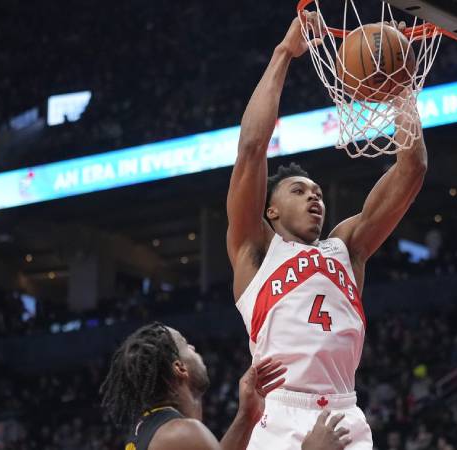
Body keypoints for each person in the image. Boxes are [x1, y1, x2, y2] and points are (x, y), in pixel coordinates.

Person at [226, 12, 427, 450]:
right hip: (279, 410)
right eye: (299, 191)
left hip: (343, 412)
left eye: (318, 191)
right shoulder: (255, 250)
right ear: (272, 212)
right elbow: (251, 150)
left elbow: (412, 169)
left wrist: (401, 88)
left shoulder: (347, 249)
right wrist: (284, 53)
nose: (314, 197)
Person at [100, 322, 352, 450]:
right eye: (187, 345)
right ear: (180, 368)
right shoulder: (180, 434)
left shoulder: (155, 431)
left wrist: (247, 416)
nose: (195, 349)